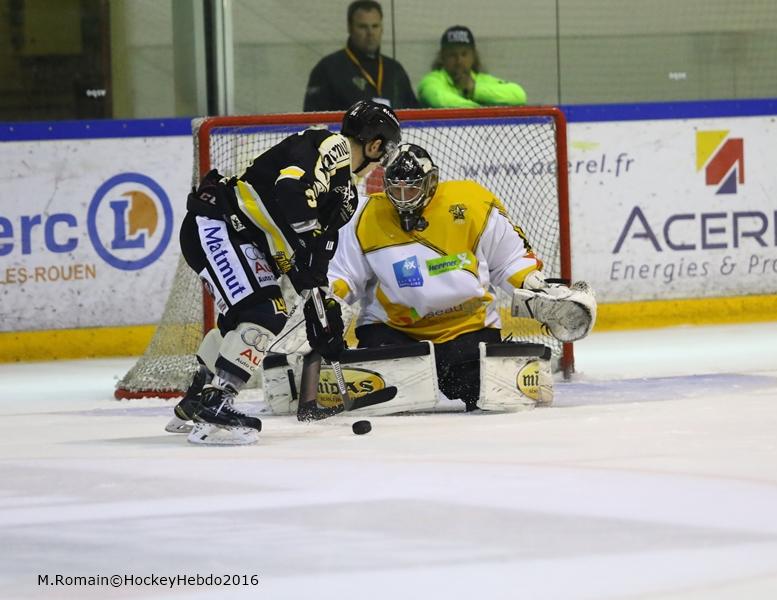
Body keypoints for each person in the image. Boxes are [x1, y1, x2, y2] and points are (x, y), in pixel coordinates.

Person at [166, 100, 401, 445]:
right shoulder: (331, 146)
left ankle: (198, 397)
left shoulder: (347, 194)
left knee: (243, 321)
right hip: (220, 224)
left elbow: (317, 255)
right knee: (266, 310)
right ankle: (217, 404)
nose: (381, 162)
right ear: (375, 145)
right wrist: (307, 248)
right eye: (385, 152)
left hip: (240, 238)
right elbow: (290, 190)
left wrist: (324, 311)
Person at [297, 143, 595, 414]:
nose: (403, 198)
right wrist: (326, 303)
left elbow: (509, 259)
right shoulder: (365, 215)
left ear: (431, 182)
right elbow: (344, 274)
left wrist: (532, 285)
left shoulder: (472, 202)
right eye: (395, 190)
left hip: (467, 329)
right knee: (386, 403)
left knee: (492, 397)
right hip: (393, 332)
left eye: (411, 189)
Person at [303, 1, 418, 111]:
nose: (370, 33)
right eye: (363, 26)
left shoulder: (395, 69)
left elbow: (414, 114)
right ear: (350, 28)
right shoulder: (328, 69)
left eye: (375, 26)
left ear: (382, 28)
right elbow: (314, 118)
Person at [417, 26, 527, 109]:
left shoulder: (482, 80)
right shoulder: (431, 81)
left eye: (464, 54)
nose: (459, 61)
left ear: (473, 56)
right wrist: (481, 110)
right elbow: (440, 100)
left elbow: (519, 95)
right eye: (452, 55)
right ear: (442, 57)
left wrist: (473, 89)